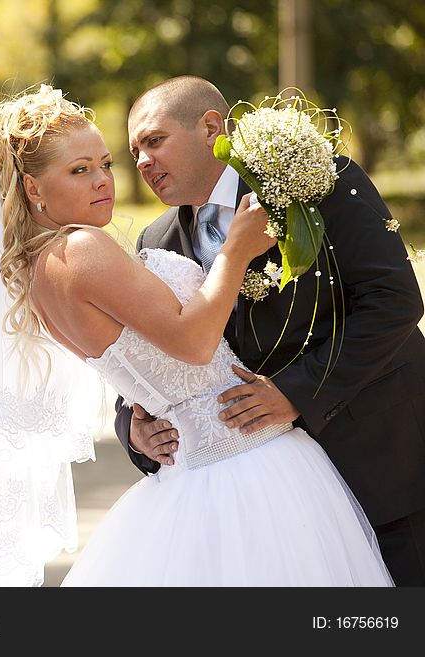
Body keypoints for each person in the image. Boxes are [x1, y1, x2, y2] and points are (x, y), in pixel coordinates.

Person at [0, 84, 393, 586]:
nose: (104, 179)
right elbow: (189, 346)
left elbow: (137, 367)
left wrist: (135, 423)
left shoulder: (40, 272)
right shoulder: (84, 249)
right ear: (33, 189)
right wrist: (236, 253)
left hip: (205, 468)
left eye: (104, 164)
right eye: (79, 170)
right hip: (246, 464)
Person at [116, 76, 425, 586]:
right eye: (134, 151)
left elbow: (394, 300)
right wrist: (132, 427)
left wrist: (297, 392)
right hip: (273, 505)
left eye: (154, 141)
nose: (142, 161)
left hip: (382, 464)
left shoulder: (316, 180)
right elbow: (147, 349)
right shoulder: (157, 242)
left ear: (211, 126)